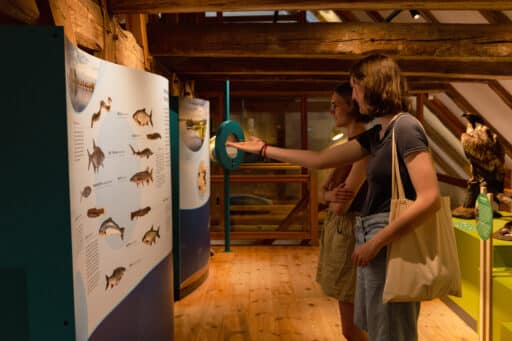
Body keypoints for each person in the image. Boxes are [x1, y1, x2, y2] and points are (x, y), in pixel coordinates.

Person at [227, 54, 440, 341]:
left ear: (372, 85)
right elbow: (320, 159)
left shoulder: (406, 127)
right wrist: (263, 149)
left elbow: (430, 198)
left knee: (392, 332)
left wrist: (376, 242)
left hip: (386, 241)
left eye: (355, 87)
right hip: (372, 240)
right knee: (378, 330)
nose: (353, 95)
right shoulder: (380, 132)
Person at [316, 83, 369, 341]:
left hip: (352, 232)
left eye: (336, 104)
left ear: (353, 105)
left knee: (353, 326)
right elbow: (321, 193)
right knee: (350, 322)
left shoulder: (363, 147)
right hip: (339, 230)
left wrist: (329, 196)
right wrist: (328, 195)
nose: (332, 110)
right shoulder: (347, 145)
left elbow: (340, 204)